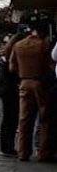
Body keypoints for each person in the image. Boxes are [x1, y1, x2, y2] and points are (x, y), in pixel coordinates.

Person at [9, 22, 51, 162]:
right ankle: (43, 152)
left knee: (24, 119)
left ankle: (23, 152)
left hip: (24, 82)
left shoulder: (18, 45)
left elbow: (11, 67)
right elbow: (50, 65)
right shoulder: (43, 45)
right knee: (44, 118)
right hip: (40, 83)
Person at [0, 34, 23, 158]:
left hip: (4, 90)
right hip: (9, 90)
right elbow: (12, 73)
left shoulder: (5, 56)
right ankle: (7, 147)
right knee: (10, 119)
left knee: (8, 119)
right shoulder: (10, 57)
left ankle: (6, 146)